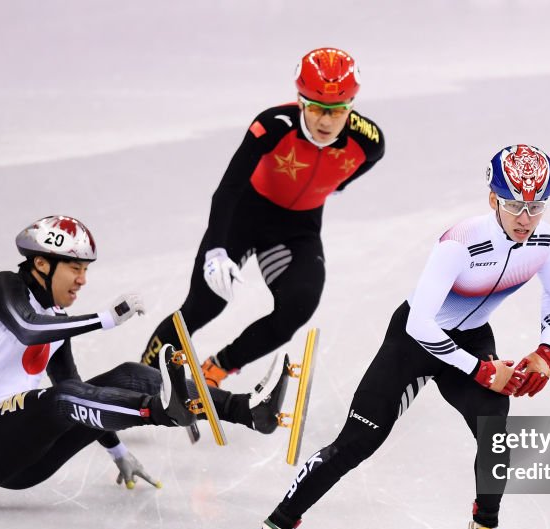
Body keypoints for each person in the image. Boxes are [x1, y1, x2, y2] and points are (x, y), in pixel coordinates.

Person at [235, 144, 550, 529]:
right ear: (493, 200)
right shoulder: (460, 243)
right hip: (413, 342)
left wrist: (547, 350)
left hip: (470, 338)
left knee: (496, 436)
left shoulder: (546, 240)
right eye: (515, 205)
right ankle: (278, 525)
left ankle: (485, 523)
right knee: (356, 443)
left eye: (537, 206)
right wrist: (482, 370)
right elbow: (420, 326)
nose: (526, 218)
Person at [0, 215, 288, 491]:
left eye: (85, 270)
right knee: (60, 397)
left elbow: (78, 392)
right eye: (74, 268)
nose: (82, 280)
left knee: (129, 375)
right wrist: (105, 319)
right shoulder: (3, 287)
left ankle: (246, 410)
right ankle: (160, 411)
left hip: (28, 464)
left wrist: (117, 451)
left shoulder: (57, 321)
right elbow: (28, 327)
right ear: (40, 263)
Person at [140, 47, 385, 386]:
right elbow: (227, 190)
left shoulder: (368, 142)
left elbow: (366, 163)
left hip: (298, 229)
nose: (325, 120)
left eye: (337, 110)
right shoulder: (271, 126)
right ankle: (144, 374)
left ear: (351, 107)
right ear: (300, 101)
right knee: (204, 305)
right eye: (315, 108)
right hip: (244, 216)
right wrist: (216, 250)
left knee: (297, 307)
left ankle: (217, 369)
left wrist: (334, 185)